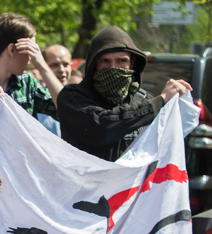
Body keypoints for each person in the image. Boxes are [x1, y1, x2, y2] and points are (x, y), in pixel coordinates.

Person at [56, 26, 191, 162]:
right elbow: (101, 128)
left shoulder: (143, 98)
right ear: (93, 63)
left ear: (132, 63)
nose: (113, 67)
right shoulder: (73, 97)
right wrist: (158, 103)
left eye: (122, 60)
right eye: (105, 61)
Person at [0, 13, 62, 116]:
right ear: (12, 50)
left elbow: (68, 110)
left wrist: (43, 66)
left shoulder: (27, 83)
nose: (32, 58)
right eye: (30, 50)